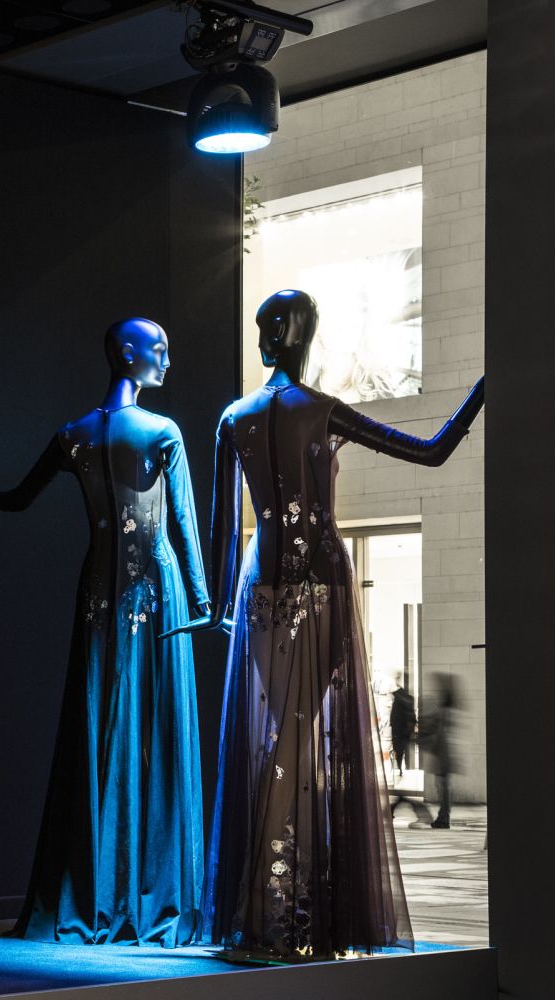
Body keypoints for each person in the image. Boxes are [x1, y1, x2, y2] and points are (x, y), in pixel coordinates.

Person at [166, 289, 483, 961]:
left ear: (274, 336)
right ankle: (281, 910)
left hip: (258, 591)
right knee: (297, 740)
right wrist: (482, 393)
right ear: (305, 336)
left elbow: (225, 528)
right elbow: (430, 452)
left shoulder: (232, 418)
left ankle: (271, 906)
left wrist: (214, 609)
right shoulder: (323, 410)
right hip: (320, 587)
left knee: (279, 742)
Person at [0, 318, 210, 946]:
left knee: (99, 726)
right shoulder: (162, 431)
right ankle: (154, 896)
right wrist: (204, 600)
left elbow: (18, 497)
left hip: (97, 591)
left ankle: (97, 891)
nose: (167, 361)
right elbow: (182, 521)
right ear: (127, 353)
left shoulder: (73, 435)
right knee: (154, 731)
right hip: (158, 592)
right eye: (159, 350)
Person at [422, 677, 460, 829]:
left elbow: (438, 733)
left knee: (442, 787)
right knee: (443, 786)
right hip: (444, 753)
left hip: (442, 754)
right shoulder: (447, 711)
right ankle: (443, 817)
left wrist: (430, 746)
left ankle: (443, 818)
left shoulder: (443, 711)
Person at [390, 683, 416, 779]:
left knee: (399, 750)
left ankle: (400, 767)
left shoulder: (398, 701)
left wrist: (393, 725)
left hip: (398, 730)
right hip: (405, 730)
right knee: (402, 749)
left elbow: (394, 717)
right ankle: (402, 767)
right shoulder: (409, 699)